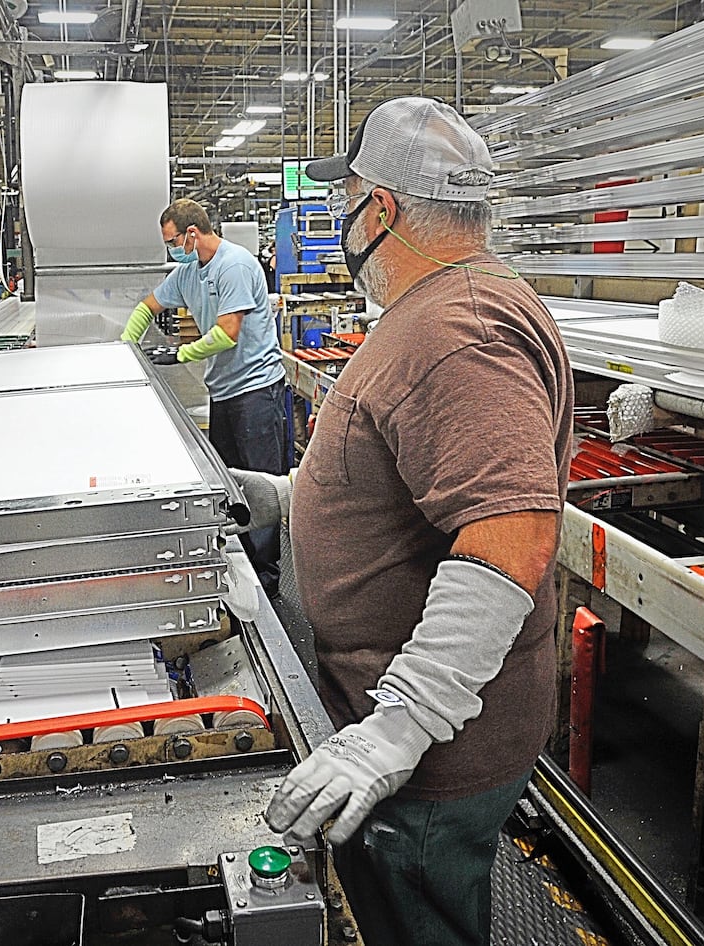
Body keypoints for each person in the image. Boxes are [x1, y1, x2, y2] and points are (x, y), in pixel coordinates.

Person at [230, 97, 574, 946]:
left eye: (344, 205)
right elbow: (407, 480)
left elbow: (510, 537)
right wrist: (280, 496)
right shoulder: (449, 305)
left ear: (380, 209)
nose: (341, 226)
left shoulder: (457, 329)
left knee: (418, 922)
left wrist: (396, 731)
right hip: (423, 728)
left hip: (430, 760)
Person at [122, 199, 288, 598]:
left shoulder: (234, 265)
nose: (171, 249)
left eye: (173, 240)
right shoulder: (188, 272)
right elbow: (149, 306)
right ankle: (239, 566)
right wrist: (125, 349)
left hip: (255, 390)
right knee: (229, 482)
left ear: (192, 233)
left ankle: (267, 582)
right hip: (225, 390)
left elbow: (228, 332)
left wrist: (180, 353)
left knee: (261, 488)